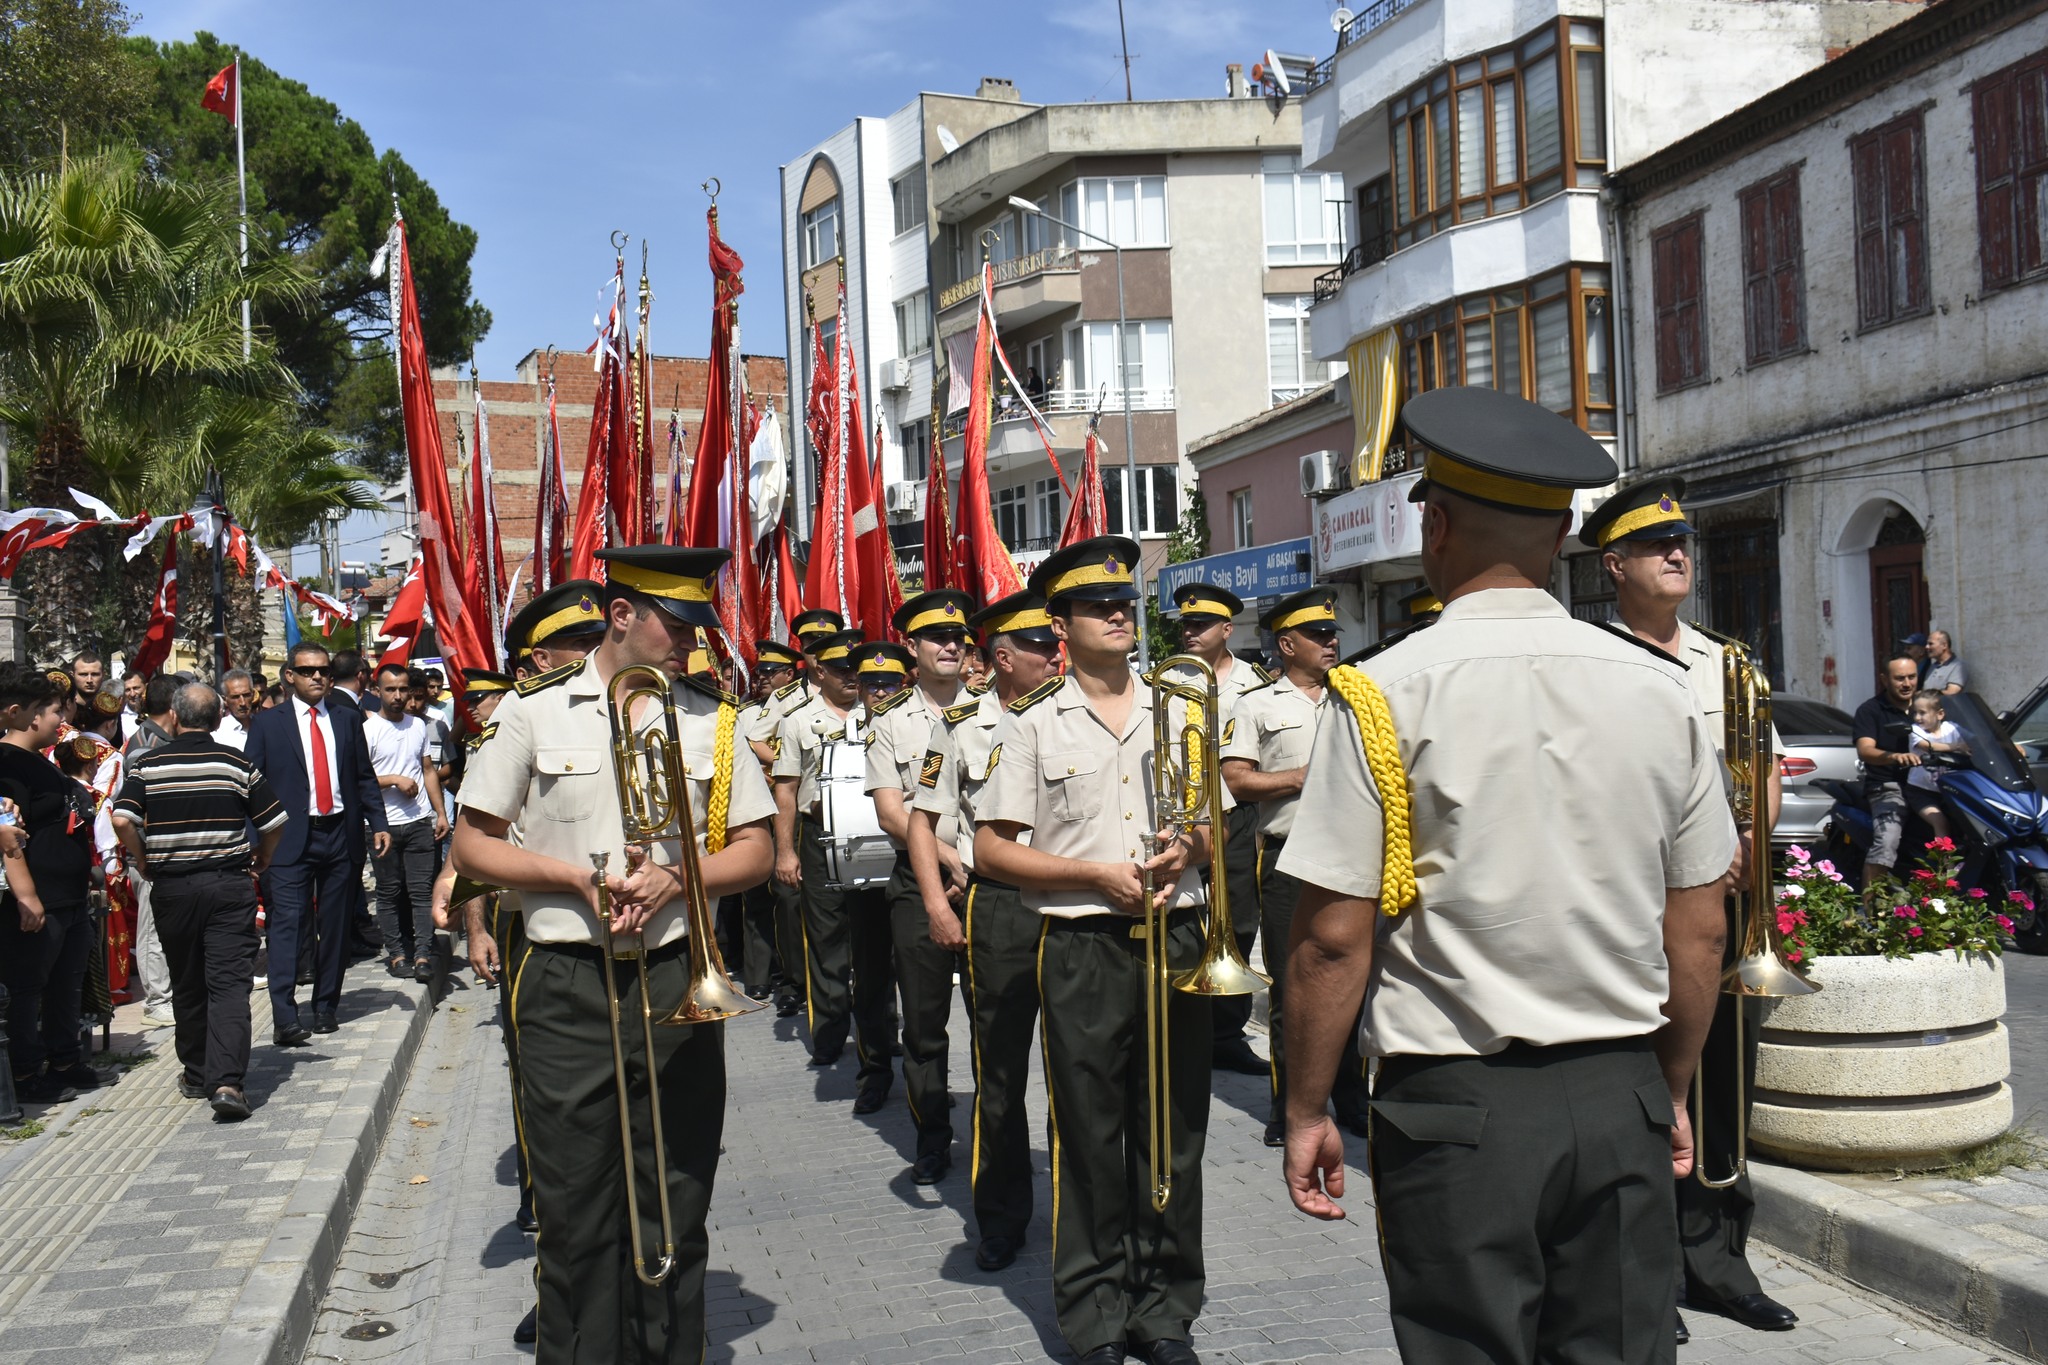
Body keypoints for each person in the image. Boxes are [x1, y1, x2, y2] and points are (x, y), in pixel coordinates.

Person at [1278, 387, 1735, 1364]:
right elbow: (1698, 929)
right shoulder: (1661, 690)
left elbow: (1329, 940)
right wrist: (1667, 1090)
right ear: (1566, 529)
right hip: (1619, 1089)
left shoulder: (1377, 691)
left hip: (1454, 1109)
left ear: (1432, 525)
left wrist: (1306, 1106)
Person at [450, 544, 774, 1365]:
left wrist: (676, 876)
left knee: (677, 1191)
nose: (691, 640)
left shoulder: (713, 715)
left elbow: (757, 852)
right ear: (622, 614)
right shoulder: (532, 710)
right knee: (576, 1204)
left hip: (674, 974)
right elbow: (473, 846)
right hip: (568, 981)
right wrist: (573, 879)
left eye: (699, 623)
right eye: (677, 622)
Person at [975, 536, 1217, 1365]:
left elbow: (1216, 828)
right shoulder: (1033, 723)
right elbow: (993, 850)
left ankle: (1165, 1307)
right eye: (1097, 606)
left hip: (1175, 934)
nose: (1119, 614)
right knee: (1087, 1131)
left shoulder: (1181, 705)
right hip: (1082, 940)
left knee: (1175, 1129)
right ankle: (1095, 1314)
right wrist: (1090, 874)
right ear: (1061, 623)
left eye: (1125, 602)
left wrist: (1190, 852)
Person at [1583, 475, 1796, 1340]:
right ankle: (1647, 1274)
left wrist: (1748, 837)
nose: (1679, 556)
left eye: (1685, 547)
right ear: (1615, 564)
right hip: (1637, 912)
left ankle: (1718, 1261)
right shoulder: (1590, 661)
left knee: (1720, 1086)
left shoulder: (1728, 661)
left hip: (1728, 909)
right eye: (1657, 547)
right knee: (1640, 1090)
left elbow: (1767, 771)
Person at [909, 589, 1060, 1271]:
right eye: (1038, 647)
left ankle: (1080, 1209)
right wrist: (939, 905)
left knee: (1073, 1069)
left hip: (1068, 901)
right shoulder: (962, 723)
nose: (1054, 654)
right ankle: (1000, 1216)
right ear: (1002, 657)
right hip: (994, 905)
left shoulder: (1071, 714)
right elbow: (923, 819)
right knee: (997, 1069)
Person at [1219, 588, 1369, 1150]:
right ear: (1287, 644)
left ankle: (1354, 1101)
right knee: (1290, 985)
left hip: (1352, 852)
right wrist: (1297, 778)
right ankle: (1288, 1108)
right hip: (1286, 855)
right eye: (1320, 635)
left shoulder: (1354, 698)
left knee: (1354, 980)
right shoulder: (1257, 705)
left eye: (1334, 634)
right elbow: (1236, 780)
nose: (1333, 642)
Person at [111, 683, 286, 1121]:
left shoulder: (148, 763)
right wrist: (263, 857)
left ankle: (195, 1072)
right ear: (217, 717)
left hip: (173, 889)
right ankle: (227, 1081)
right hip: (228, 886)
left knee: (187, 981)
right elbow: (275, 820)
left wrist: (142, 857)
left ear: (174, 714)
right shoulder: (235, 762)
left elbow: (121, 817)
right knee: (229, 984)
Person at [864, 591, 975, 1184]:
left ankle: (997, 1135)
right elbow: (890, 814)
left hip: (989, 880)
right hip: (919, 880)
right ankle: (933, 1135)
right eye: (936, 637)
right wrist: (949, 858)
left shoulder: (997, 710)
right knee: (926, 1024)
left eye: (957, 637)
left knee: (994, 1019)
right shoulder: (891, 723)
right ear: (913, 647)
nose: (951, 646)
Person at [772, 630, 898, 1107]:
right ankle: (828, 1032)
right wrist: (785, 852)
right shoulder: (798, 721)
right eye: (842, 668)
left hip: (877, 838)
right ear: (819, 671)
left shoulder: (886, 715)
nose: (852, 676)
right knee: (826, 940)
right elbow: (785, 790)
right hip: (818, 834)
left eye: (857, 669)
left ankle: (883, 1035)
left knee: (877, 945)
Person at [244, 642, 391, 1044]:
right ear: (289, 675)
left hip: (339, 836)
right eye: (307, 671)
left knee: (336, 925)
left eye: (323, 671)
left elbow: (363, 775)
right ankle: (284, 1016)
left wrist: (378, 821)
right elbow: (251, 784)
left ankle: (326, 1006)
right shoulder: (268, 724)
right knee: (287, 927)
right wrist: (255, 839)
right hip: (288, 840)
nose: (317, 678)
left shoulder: (346, 719)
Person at [1167, 581, 1269, 1078]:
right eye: (1185, 624)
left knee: (1239, 919)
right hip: (1183, 812)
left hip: (1238, 813)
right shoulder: (1163, 681)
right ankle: (1186, 1019)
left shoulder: (1256, 683)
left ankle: (1227, 1032)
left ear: (1227, 630)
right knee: (1187, 917)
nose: (1189, 631)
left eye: (1200, 624)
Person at [0, 664, 101, 1103]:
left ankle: (65, 1058)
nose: (59, 720)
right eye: (49, 710)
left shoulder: (43, 763)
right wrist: (28, 898)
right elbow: (9, 839)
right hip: (38, 901)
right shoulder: (7, 768)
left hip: (70, 896)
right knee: (28, 986)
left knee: (67, 981)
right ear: (23, 713)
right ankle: (26, 1073)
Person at [365, 662, 450, 982]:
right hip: (381, 825)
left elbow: (428, 769)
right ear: (378, 691)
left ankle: (424, 954)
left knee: (421, 891)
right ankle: (398, 953)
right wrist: (393, 780)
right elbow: (360, 779)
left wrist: (439, 812)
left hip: (418, 822)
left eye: (403, 689)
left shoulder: (417, 726)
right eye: (391, 690)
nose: (398, 696)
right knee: (388, 892)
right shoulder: (368, 729)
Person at [737, 639, 805, 1009]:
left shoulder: (801, 702)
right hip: (760, 807)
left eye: (768, 671)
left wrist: (782, 766)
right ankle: (759, 976)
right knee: (758, 895)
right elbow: (749, 743)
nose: (760, 677)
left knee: (789, 899)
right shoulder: (749, 713)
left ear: (787, 673)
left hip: (791, 805)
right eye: (758, 671)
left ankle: (792, 974)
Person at [1855, 655, 1923, 887]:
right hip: (1888, 786)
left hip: (1930, 784)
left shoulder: (1929, 706)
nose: (1907, 683)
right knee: (1887, 840)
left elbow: (1961, 731)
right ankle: (1870, 909)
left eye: (1911, 677)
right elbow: (1865, 749)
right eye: (1899, 678)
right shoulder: (1870, 710)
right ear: (1885, 679)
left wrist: (2001, 743)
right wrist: (1894, 757)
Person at [1908, 689, 1963, 843]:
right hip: (1922, 792)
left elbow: (1973, 740)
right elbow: (1928, 745)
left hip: (1948, 790)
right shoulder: (1915, 731)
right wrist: (1957, 747)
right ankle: (1944, 865)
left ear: (1940, 714)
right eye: (1915, 713)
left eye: (1922, 713)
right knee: (1941, 822)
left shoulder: (1951, 728)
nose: (1917, 717)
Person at [213, 668, 258, 750]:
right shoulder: (217, 733)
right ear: (225, 700)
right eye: (235, 697)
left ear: (253, 695)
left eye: (246, 695)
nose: (242, 703)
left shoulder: (265, 727)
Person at [1925, 631, 1968, 695]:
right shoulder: (1932, 666)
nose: (1927, 647)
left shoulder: (1958, 666)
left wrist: (1924, 695)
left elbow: (1952, 693)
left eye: (1931, 644)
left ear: (1944, 645)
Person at [120, 670, 146, 741]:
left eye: (136, 688)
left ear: (145, 687)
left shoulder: (156, 711)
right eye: (127, 690)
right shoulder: (119, 717)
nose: (132, 694)